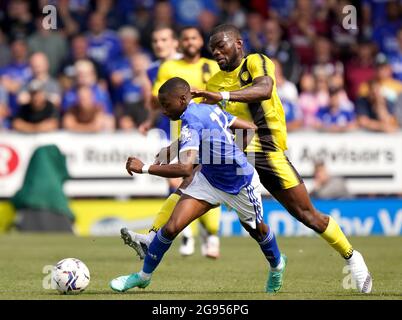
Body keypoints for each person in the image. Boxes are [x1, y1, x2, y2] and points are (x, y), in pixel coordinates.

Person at [189, 24, 372, 293]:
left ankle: (353, 257)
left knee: (307, 215)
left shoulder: (257, 61)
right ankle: (157, 240)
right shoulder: (214, 83)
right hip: (238, 153)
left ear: (239, 44)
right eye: (212, 48)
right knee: (220, 205)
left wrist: (223, 96)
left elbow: (264, 89)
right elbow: (209, 120)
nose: (216, 52)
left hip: (268, 148)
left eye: (221, 45)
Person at [110, 77, 287, 293]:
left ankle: (277, 266)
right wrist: (226, 155)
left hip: (239, 184)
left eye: (166, 105)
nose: (164, 111)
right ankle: (142, 277)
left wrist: (144, 168)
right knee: (171, 227)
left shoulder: (191, 120)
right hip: (209, 180)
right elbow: (248, 127)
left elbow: (185, 169)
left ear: (183, 99)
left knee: (257, 232)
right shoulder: (206, 109)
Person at [122, 27, 222, 259]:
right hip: (185, 131)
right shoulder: (166, 68)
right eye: (155, 39)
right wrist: (150, 120)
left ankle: (207, 235)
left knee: (201, 183)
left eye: (193, 38)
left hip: (213, 132)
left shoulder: (213, 67)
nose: (189, 42)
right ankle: (175, 235)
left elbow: (223, 102)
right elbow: (158, 100)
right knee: (190, 183)